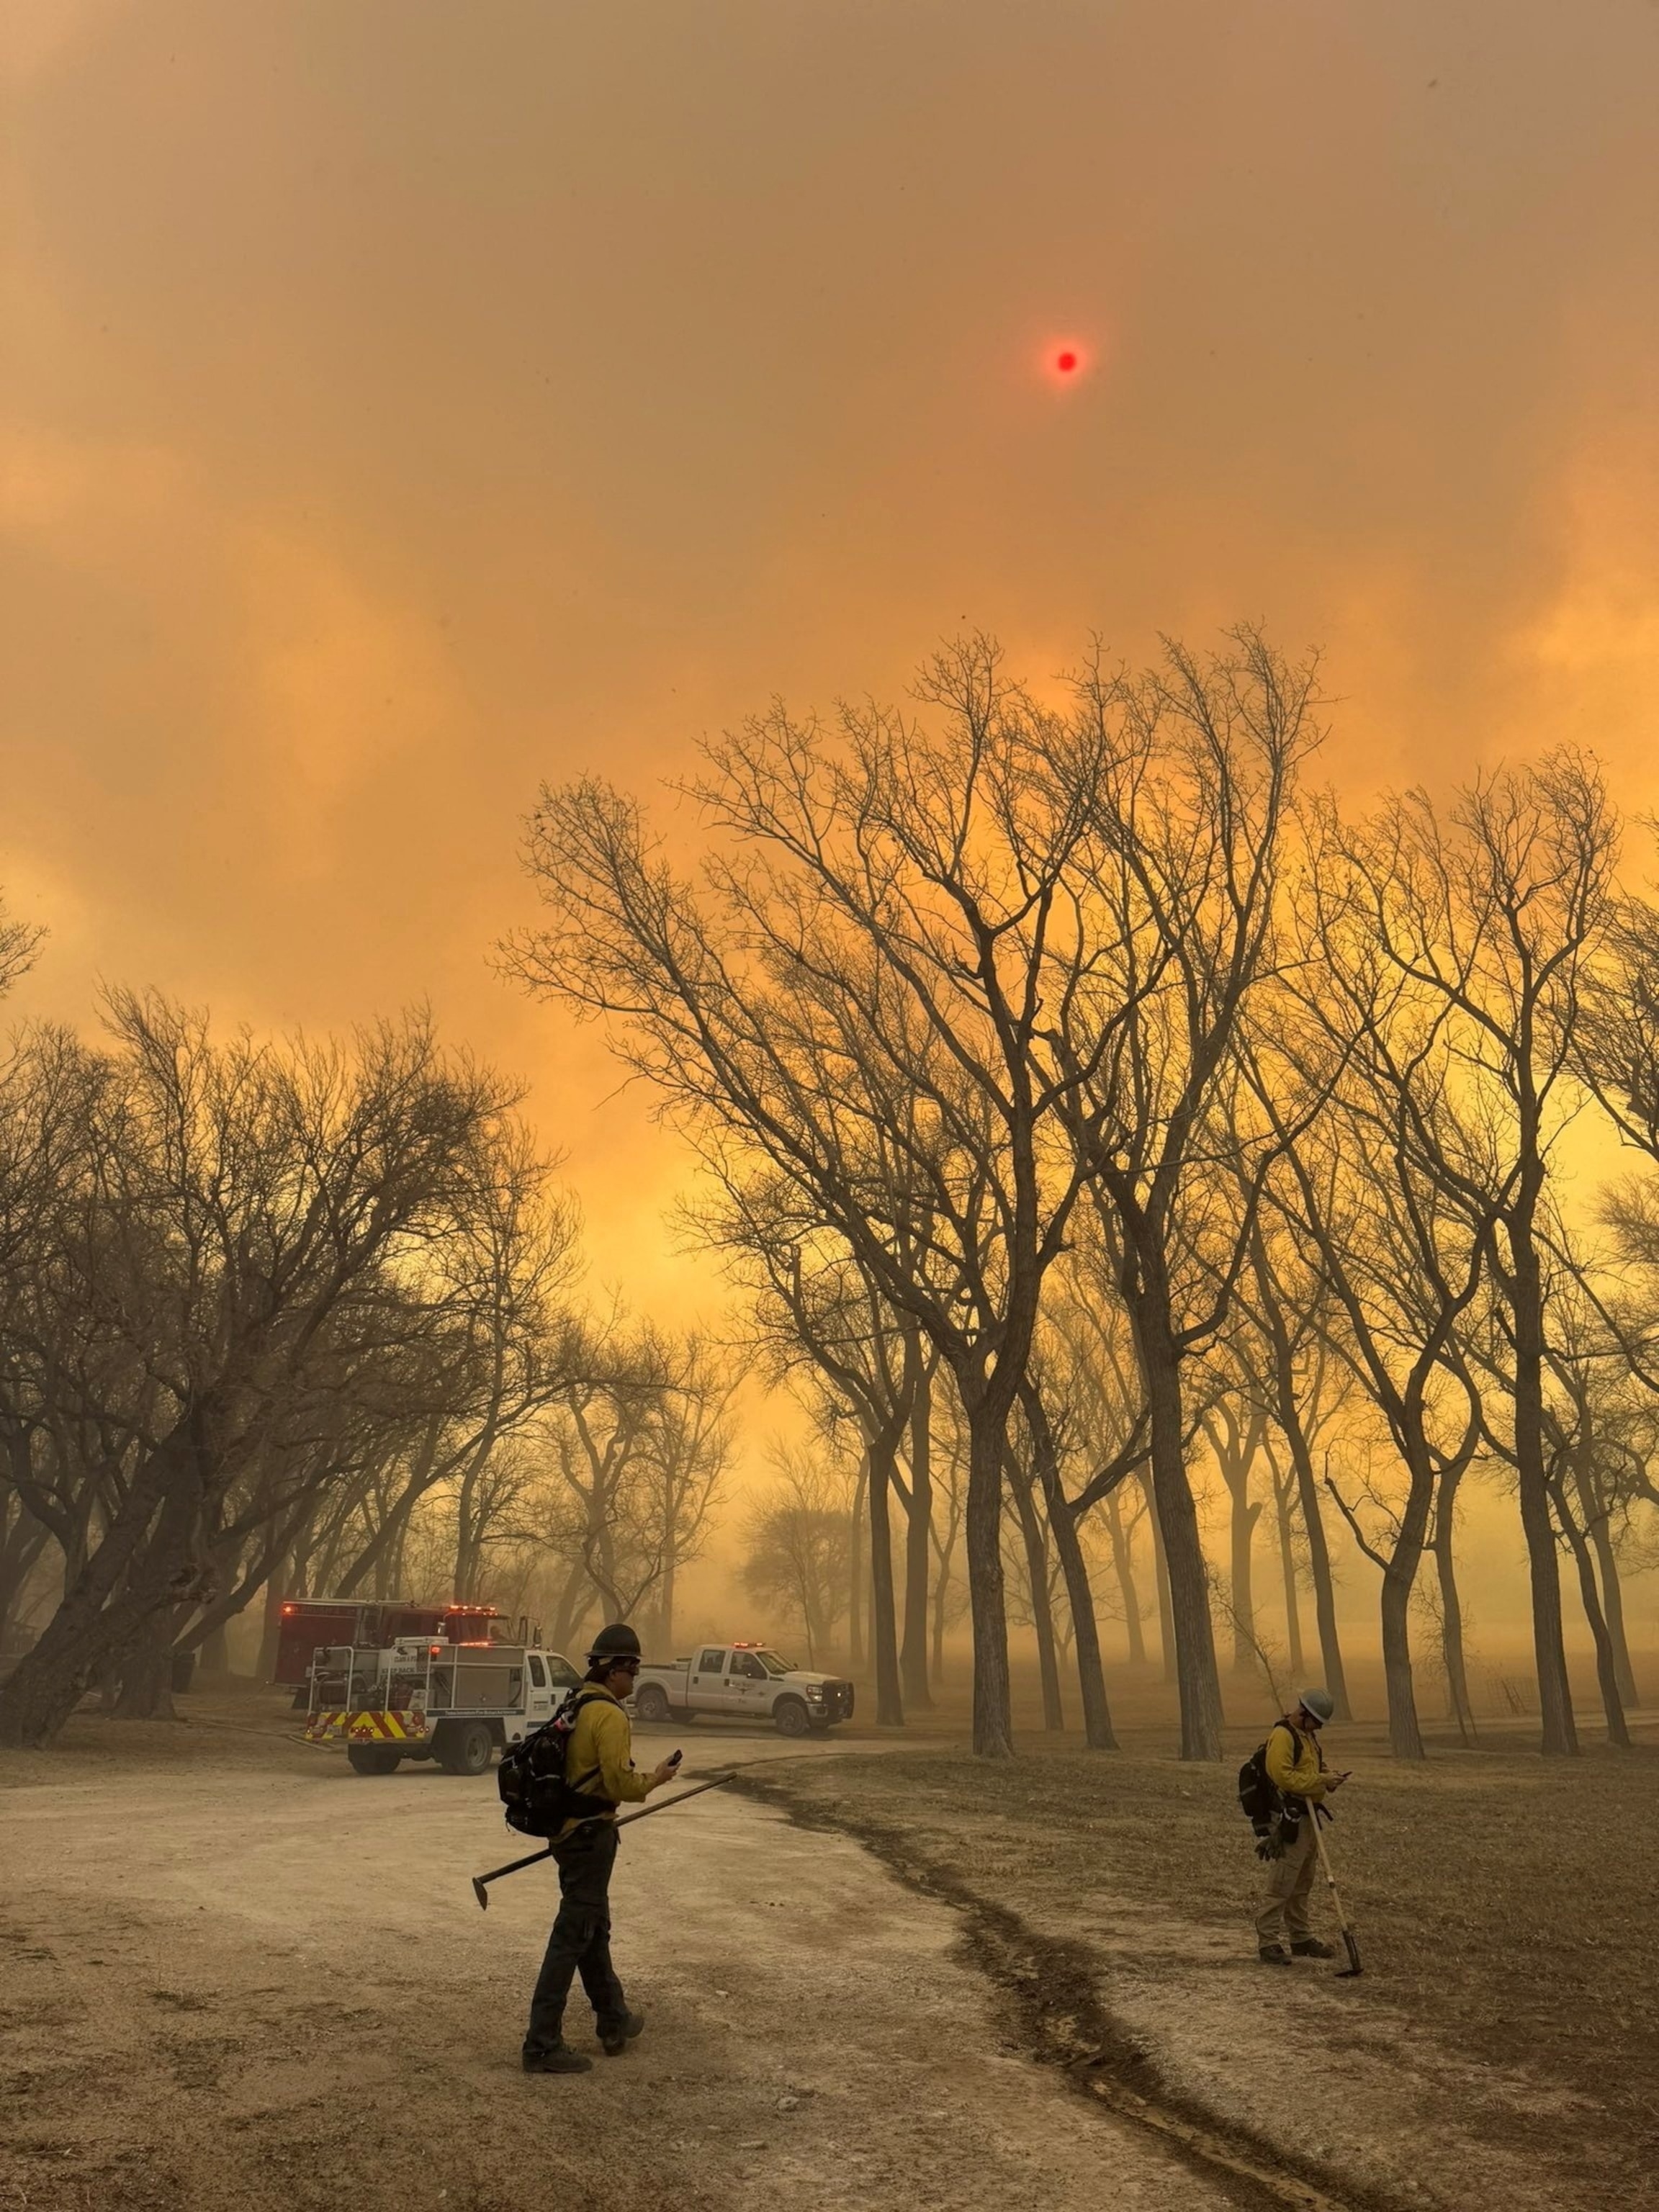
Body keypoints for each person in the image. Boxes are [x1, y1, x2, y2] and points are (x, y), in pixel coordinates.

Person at [521, 1622, 679, 2074]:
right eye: (632, 1670)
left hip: (569, 1836)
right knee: (571, 1938)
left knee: (592, 1929)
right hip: (591, 1838)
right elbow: (619, 1783)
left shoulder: (578, 1703)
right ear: (614, 1671)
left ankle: (614, 2021)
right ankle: (541, 2045)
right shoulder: (609, 1715)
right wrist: (656, 1779)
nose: (635, 1679)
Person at [1256, 1686, 1348, 1966]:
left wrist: (1328, 1777)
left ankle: (1300, 1937)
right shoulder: (1283, 1736)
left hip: (1309, 1817)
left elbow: (1310, 1769)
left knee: (1303, 1881)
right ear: (1304, 1714)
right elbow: (1283, 1777)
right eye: (1317, 1722)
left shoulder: (1308, 1737)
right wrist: (1320, 1782)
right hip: (1289, 1817)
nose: (1319, 1727)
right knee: (1283, 1881)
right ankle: (1268, 1942)